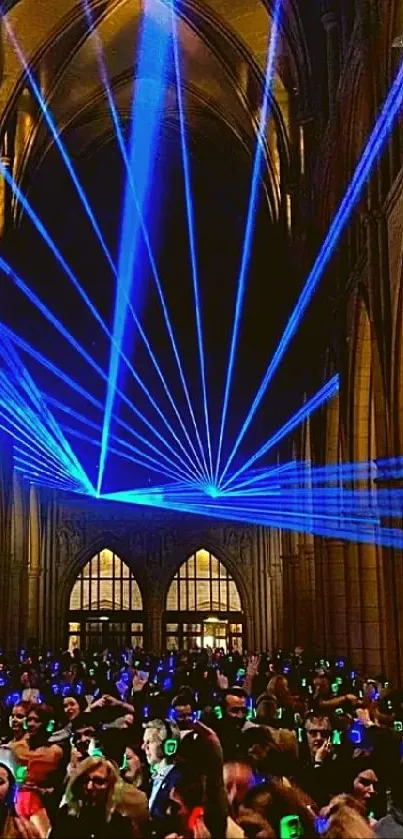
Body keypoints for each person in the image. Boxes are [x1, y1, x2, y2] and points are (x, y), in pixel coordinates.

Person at [48, 756, 134, 838]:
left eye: (98, 781)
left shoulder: (119, 824)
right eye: (84, 780)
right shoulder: (66, 816)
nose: (89, 787)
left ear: (111, 786)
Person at [143, 719, 182, 837]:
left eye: (149, 742)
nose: (143, 747)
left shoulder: (178, 780)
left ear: (168, 746)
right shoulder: (152, 779)